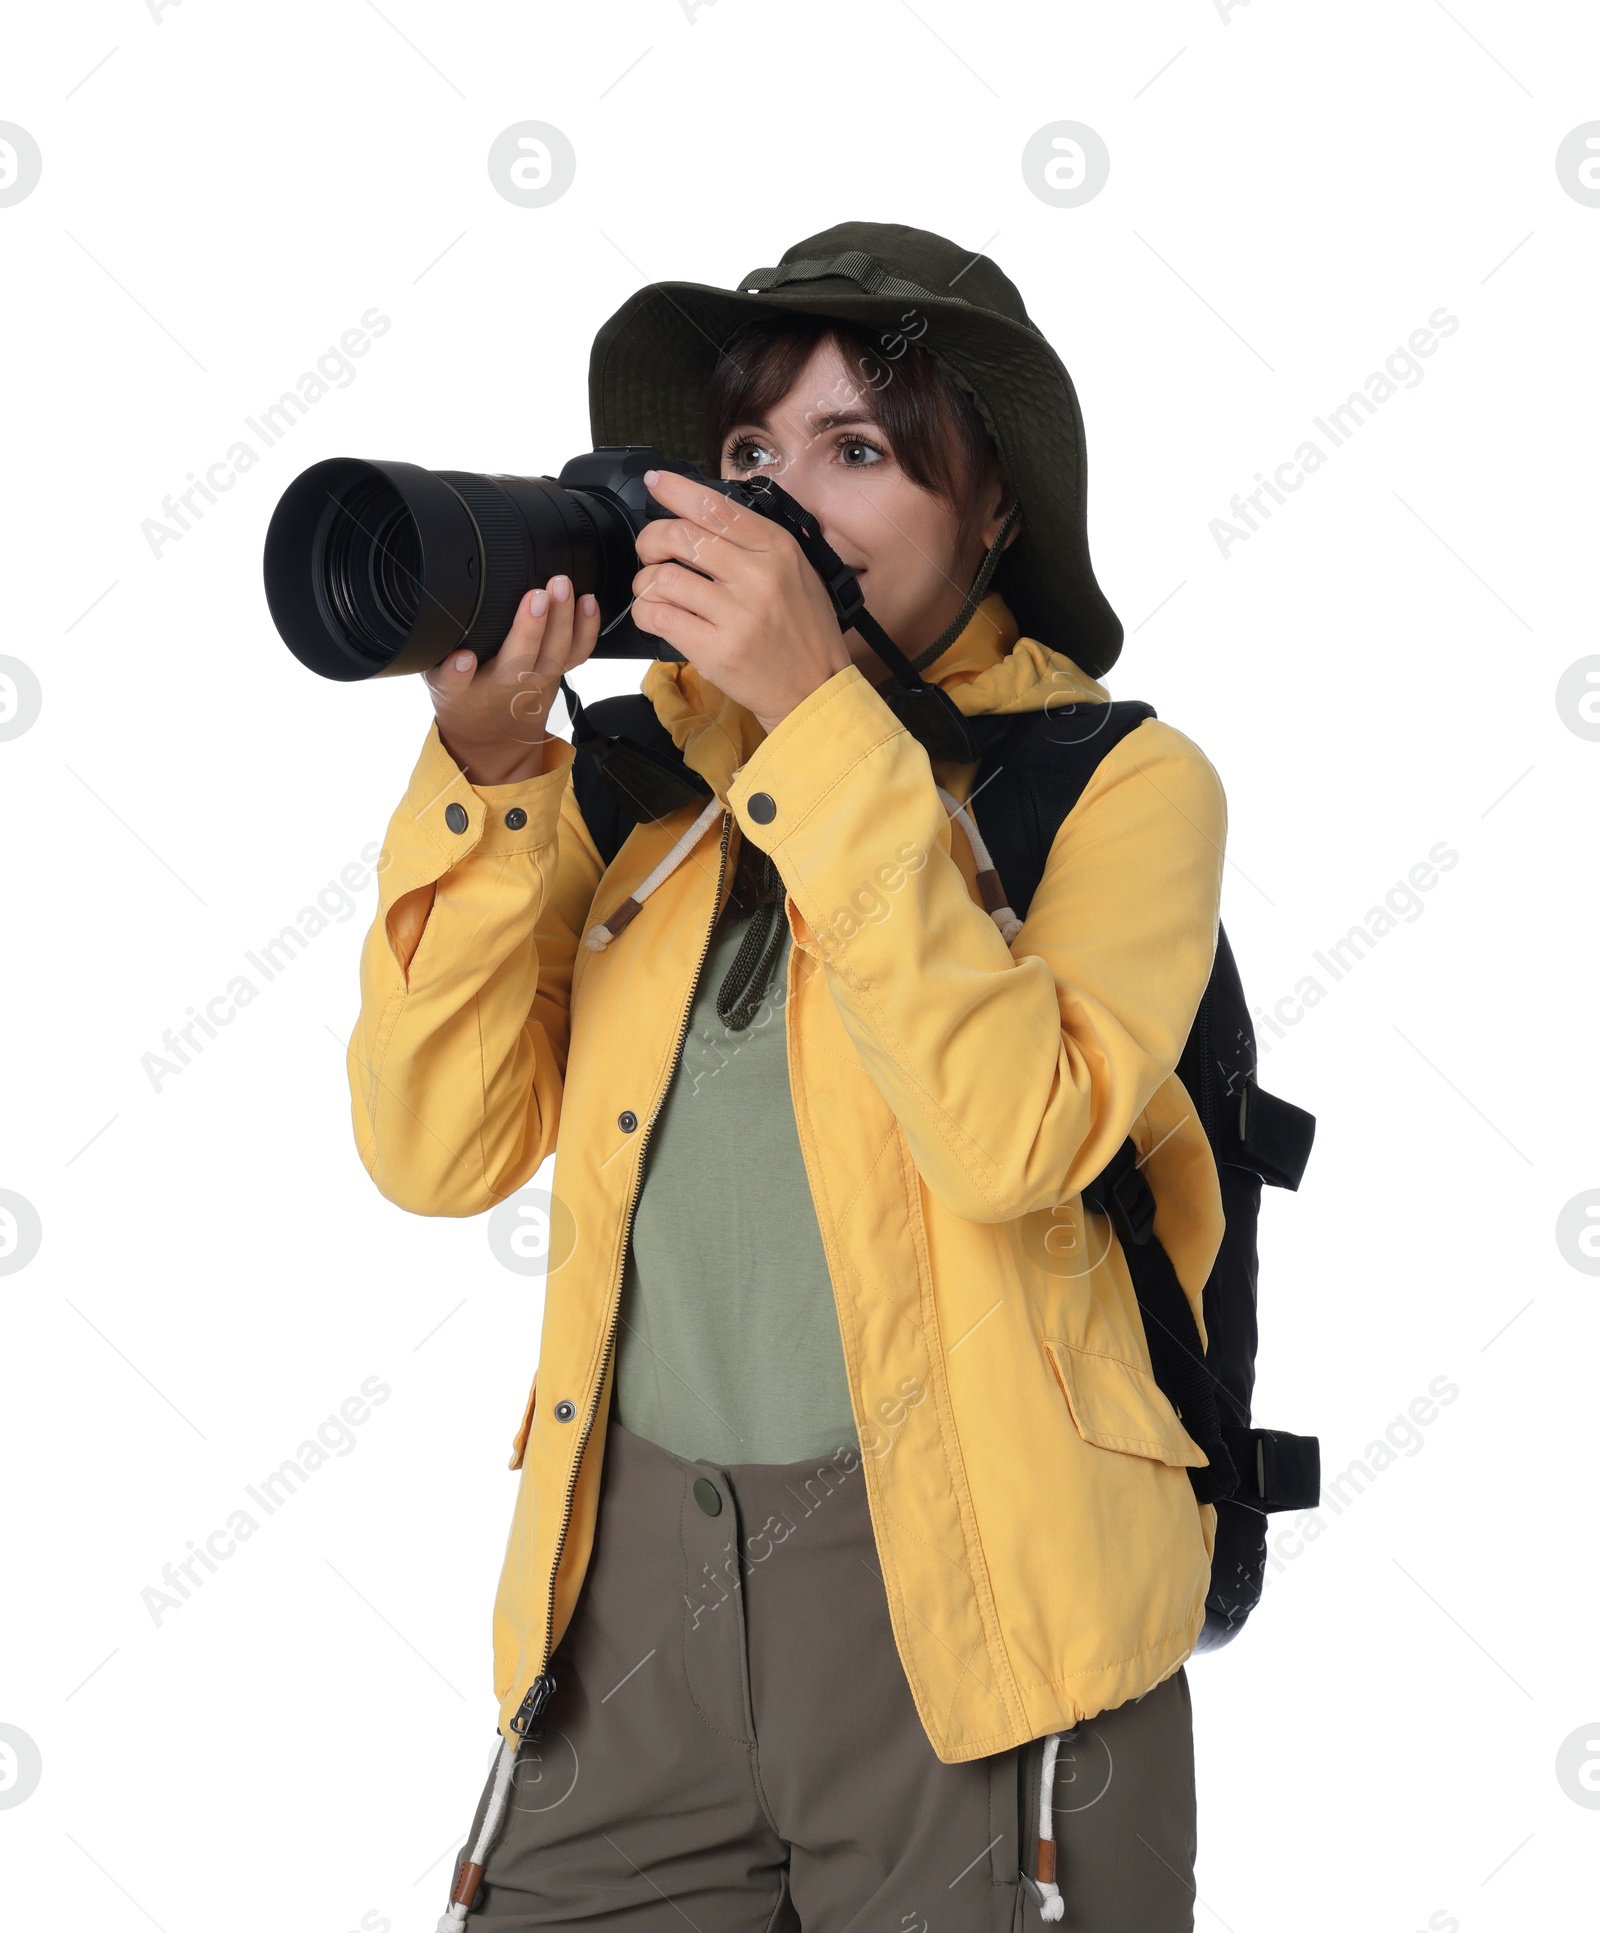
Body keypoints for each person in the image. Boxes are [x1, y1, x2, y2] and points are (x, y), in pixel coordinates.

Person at [346, 223, 1228, 1933]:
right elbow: (435, 1152)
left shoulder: (1117, 787)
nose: (782, 502)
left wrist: (820, 720)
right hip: (627, 1617)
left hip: (977, 1624)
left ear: (995, 514)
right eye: (750, 455)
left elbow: (1010, 1138)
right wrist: (486, 770)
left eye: (861, 451)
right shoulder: (624, 780)